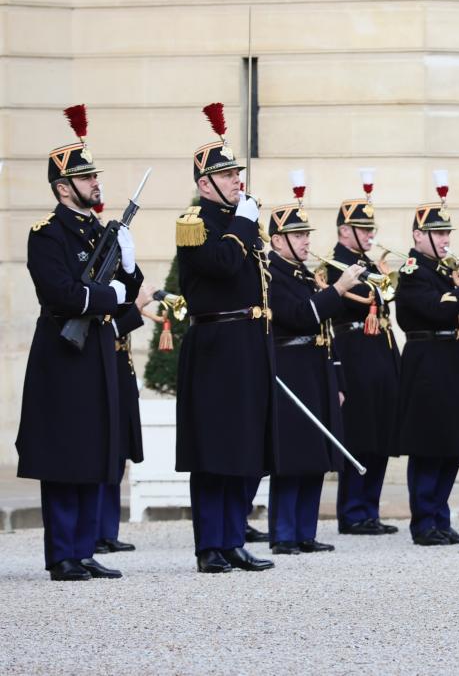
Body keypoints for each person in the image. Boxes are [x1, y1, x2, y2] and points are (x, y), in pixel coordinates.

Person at [17, 105, 144, 580]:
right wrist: (103, 295)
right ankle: (62, 554)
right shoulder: (47, 235)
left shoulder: (102, 233)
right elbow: (59, 292)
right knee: (64, 449)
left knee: (96, 447)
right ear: (62, 187)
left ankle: (86, 547)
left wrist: (128, 268)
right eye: (85, 178)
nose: (96, 184)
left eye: (95, 176)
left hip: (97, 352)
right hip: (62, 352)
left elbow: (128, 291)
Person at [175, 102, 276, 573]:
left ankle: (234, 537)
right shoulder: (195, 225)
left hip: (251, 343)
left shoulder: (244, 223)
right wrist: (242, 223)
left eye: (237, 174)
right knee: (215, 449)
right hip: (216, 346)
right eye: (227, 175)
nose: (238, 181)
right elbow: (219, 265)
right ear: (204, 184)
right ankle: (210, 545)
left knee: (248, 448)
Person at [266, 193, 366, 555]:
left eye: (307, 233)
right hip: (291, 368)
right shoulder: (272, 276)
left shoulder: (303, 274)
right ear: (278, 240)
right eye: (298, 234)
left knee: (315, 453)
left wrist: (336, 379)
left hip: (315, 367)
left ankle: (304, 531)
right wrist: (338, 289)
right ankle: (283, 533)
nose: (307, 239)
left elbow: (325, 327)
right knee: (292, 455)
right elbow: (297, 316)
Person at [395, 200, 459, 546]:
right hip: (426, 358)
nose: (445, 240)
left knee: (449, 442)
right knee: (428, 444)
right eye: (438, 233)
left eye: (446, 233)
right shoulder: (414, 272)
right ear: (418, 235)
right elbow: (436, 310)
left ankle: (440, 516)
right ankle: (424, 521)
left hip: (450, 358)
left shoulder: (442, 271)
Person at [327, 192, 401, 535]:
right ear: (345, 231)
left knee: (380, 433)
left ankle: (370, 508)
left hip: (380, 350)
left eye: (371, 228)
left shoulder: (371, 263)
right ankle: (353, 510)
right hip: (354, 349)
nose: (370, 234)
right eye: (362, 228)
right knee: (358, 434)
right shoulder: (334, 264)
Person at [95, 285, 154, 554]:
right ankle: (94, 532)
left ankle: (108, 531)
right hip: (102, 376)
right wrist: (137, 308)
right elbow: (107, 332)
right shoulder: (99, 290)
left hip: (121, 375)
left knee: (118, 458)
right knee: (101, 459)